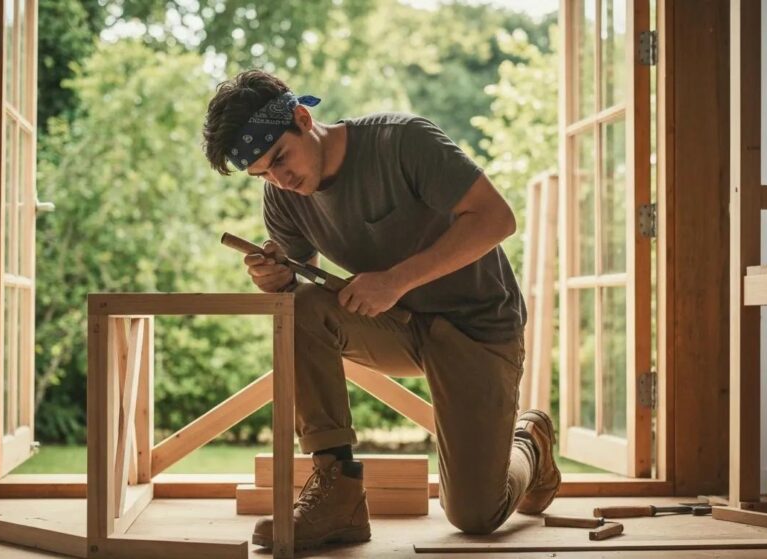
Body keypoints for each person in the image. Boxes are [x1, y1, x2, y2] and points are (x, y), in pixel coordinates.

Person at [201, 69, 561, 552]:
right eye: (262, 173)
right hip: (397, 328)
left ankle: (529, 444)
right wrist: (277, 280)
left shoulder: (402, 142)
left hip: (477, 329)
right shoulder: (283, 200)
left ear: (304, 119)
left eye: (280, 158)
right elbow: (300, 296)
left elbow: (498, 219)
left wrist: (395, 281)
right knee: (301, 308)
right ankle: (338, 494)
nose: (279, 181)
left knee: (475, 515)